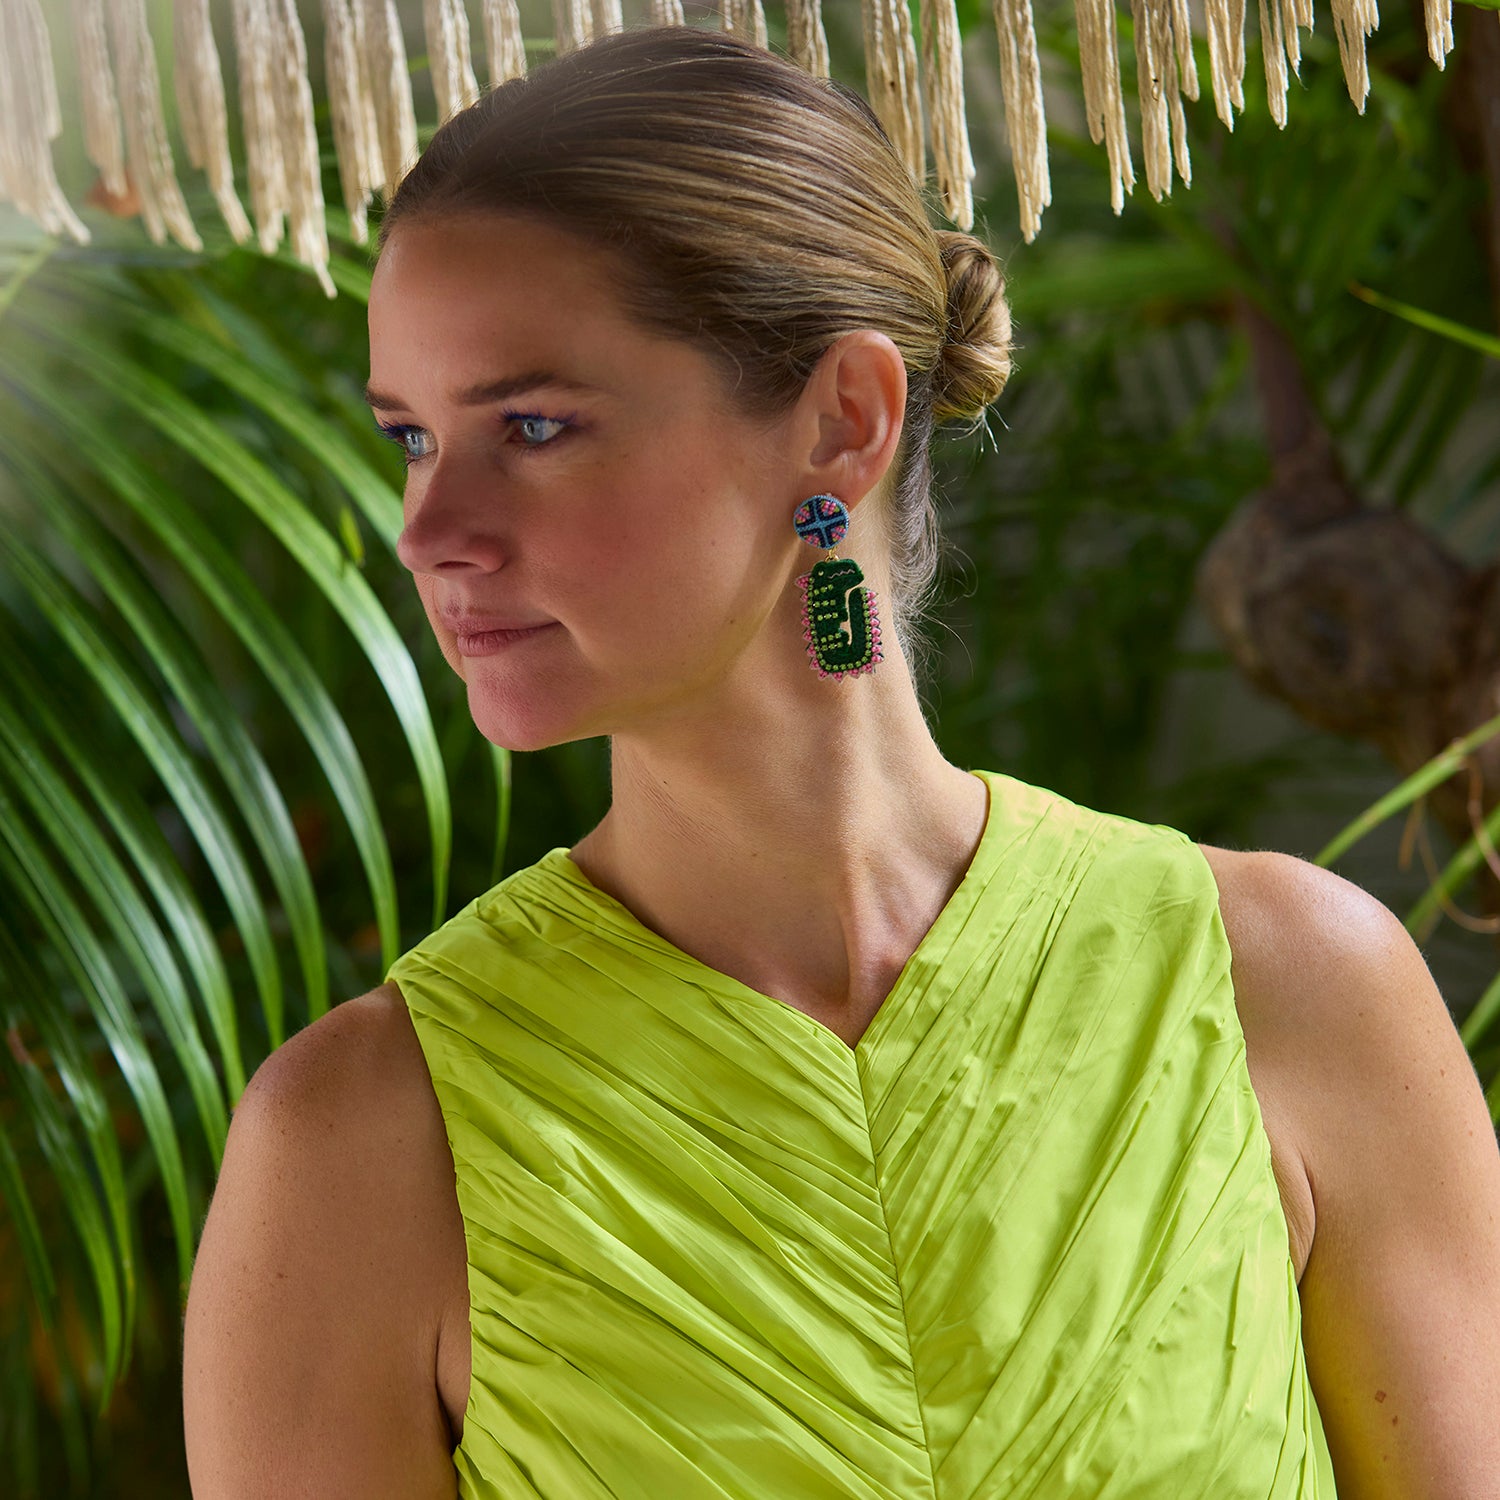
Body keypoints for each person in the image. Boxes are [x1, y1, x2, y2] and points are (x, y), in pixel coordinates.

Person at [181, 23, 1500, 1500]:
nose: (430, 532)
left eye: (532, 426)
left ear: (842, 421)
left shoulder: (1294, 993)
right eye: (413, 440)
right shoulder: (359, 1149)